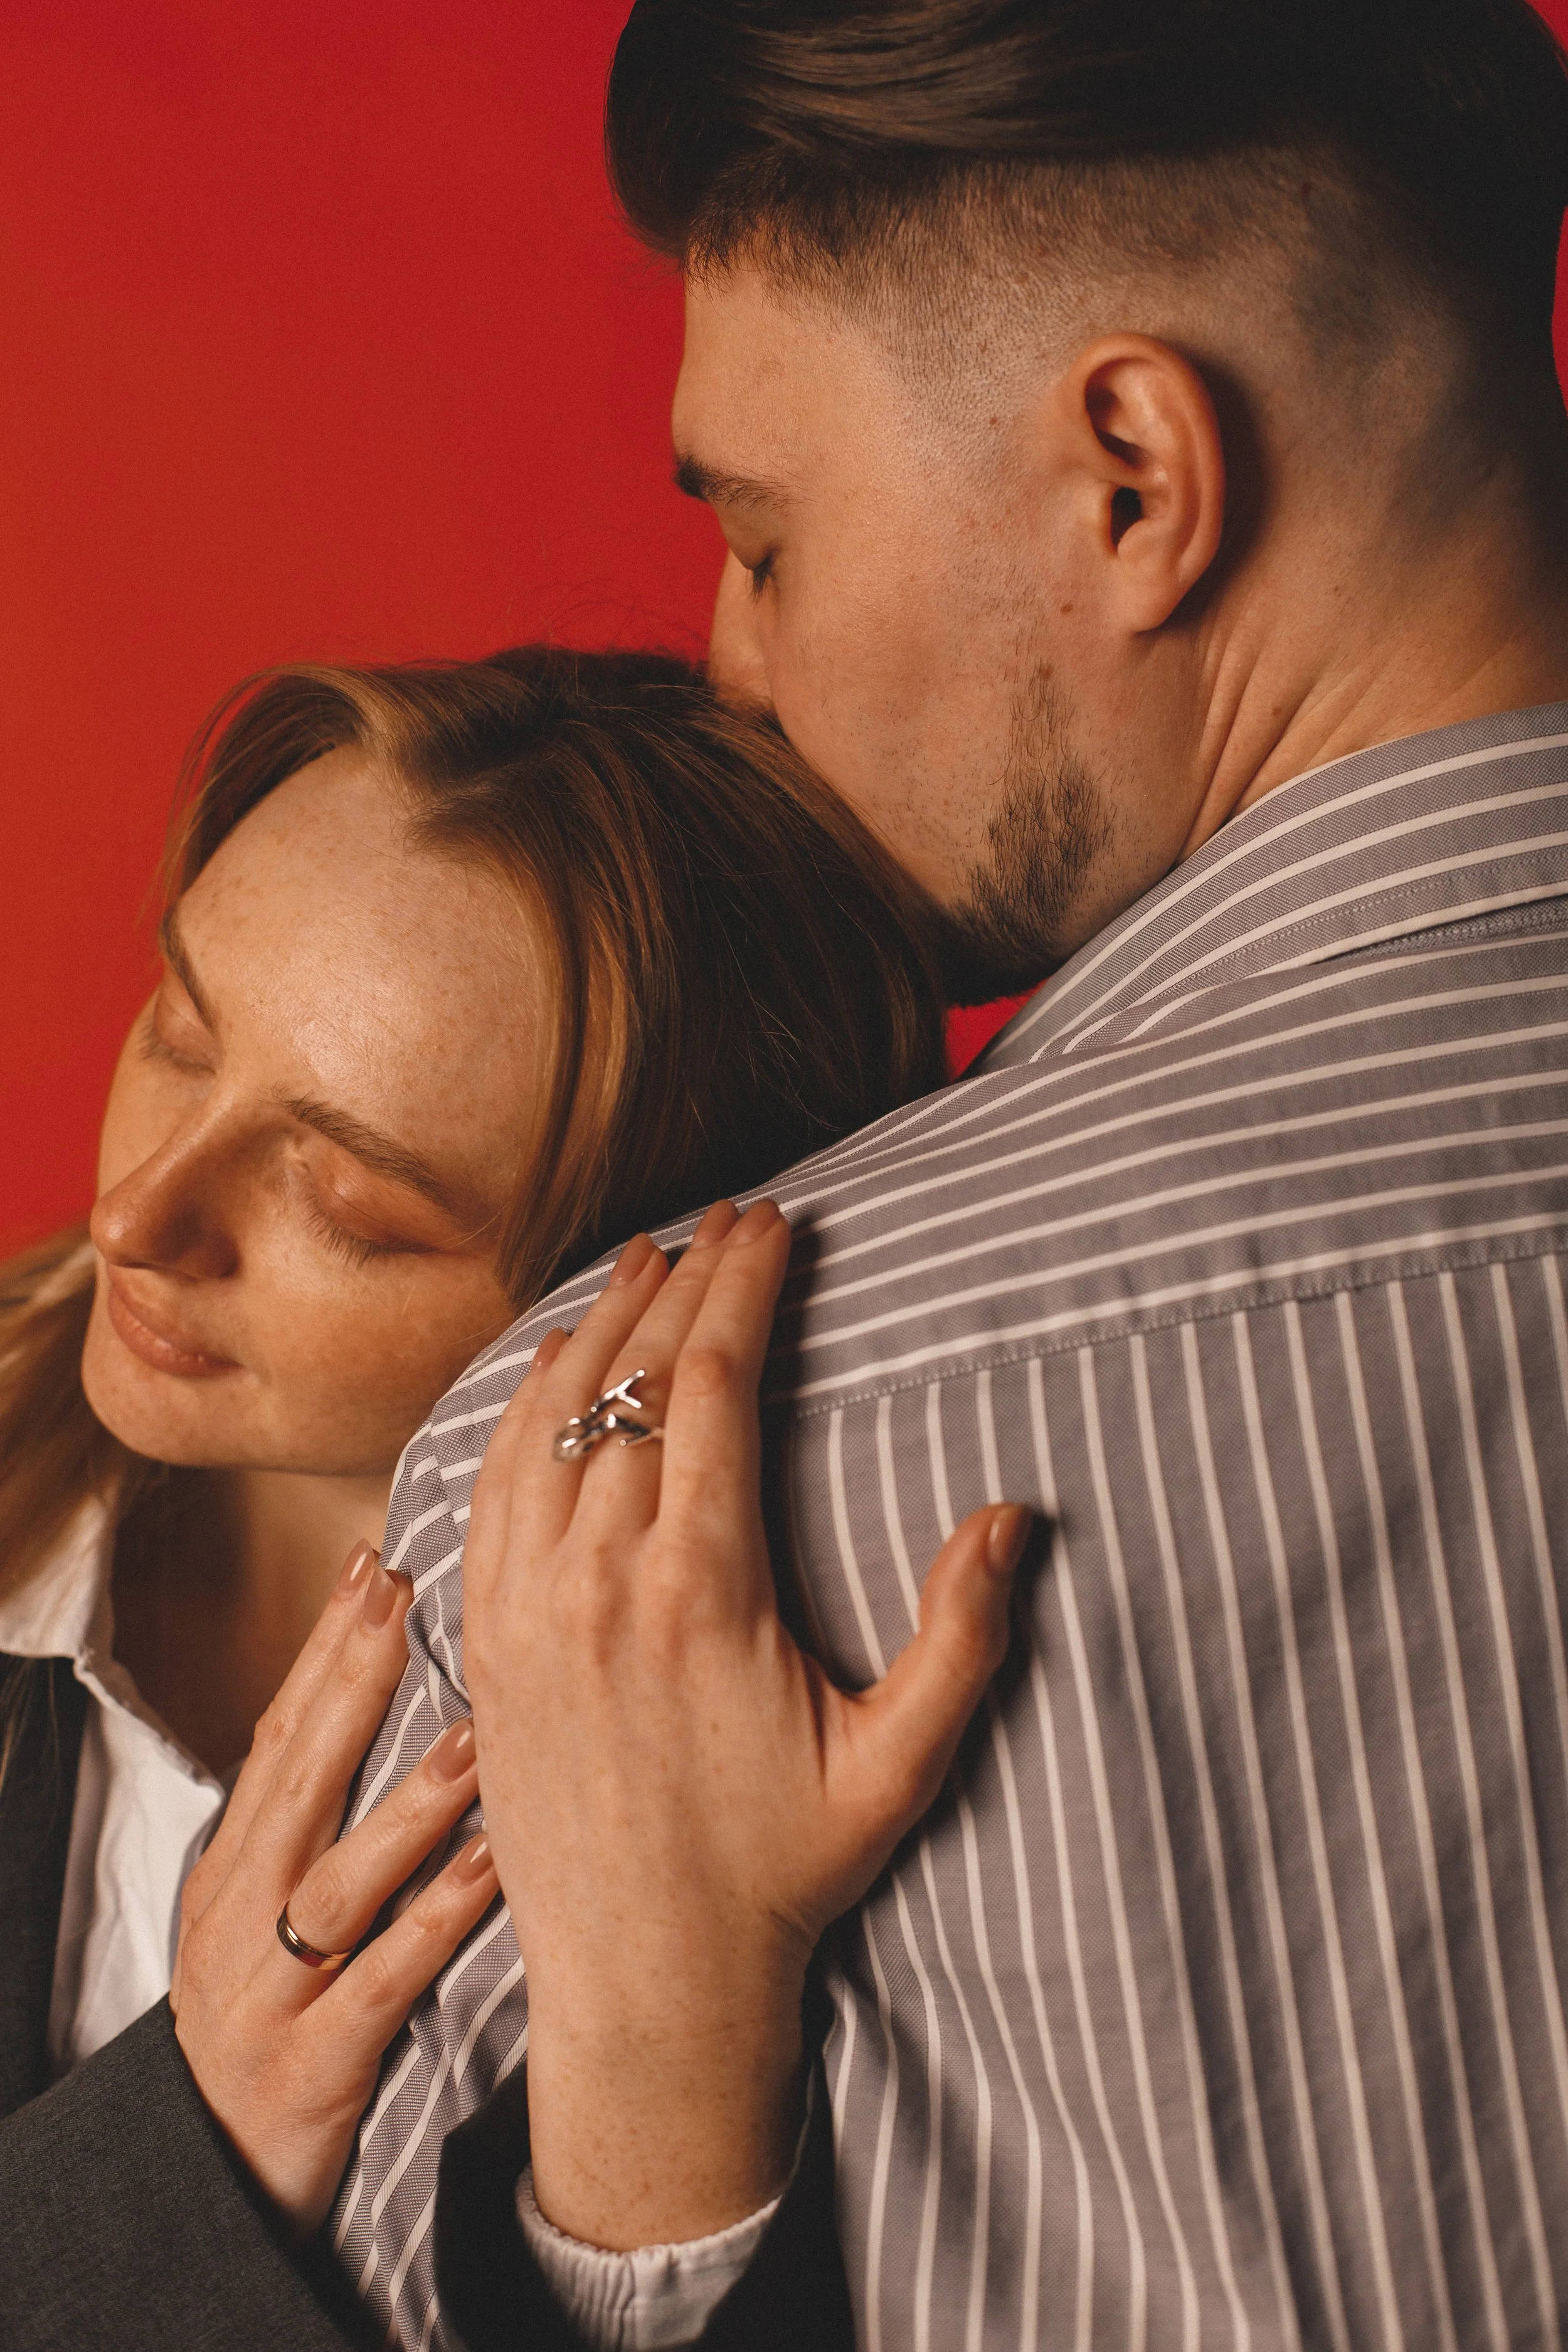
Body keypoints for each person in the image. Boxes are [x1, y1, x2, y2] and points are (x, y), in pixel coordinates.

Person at [297, 1, 1568, 2348]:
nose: (727, 659)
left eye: (761, 538)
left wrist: (648, 2150)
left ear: (1133, 480)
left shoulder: (644, 1485)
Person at [0, 644, 1017, 2348]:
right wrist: (175, 2157)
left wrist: (668, 2066)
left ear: (628, 1298)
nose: (139, 1214)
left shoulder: (778, 1759)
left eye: (346, 1201)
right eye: (181, 1032)